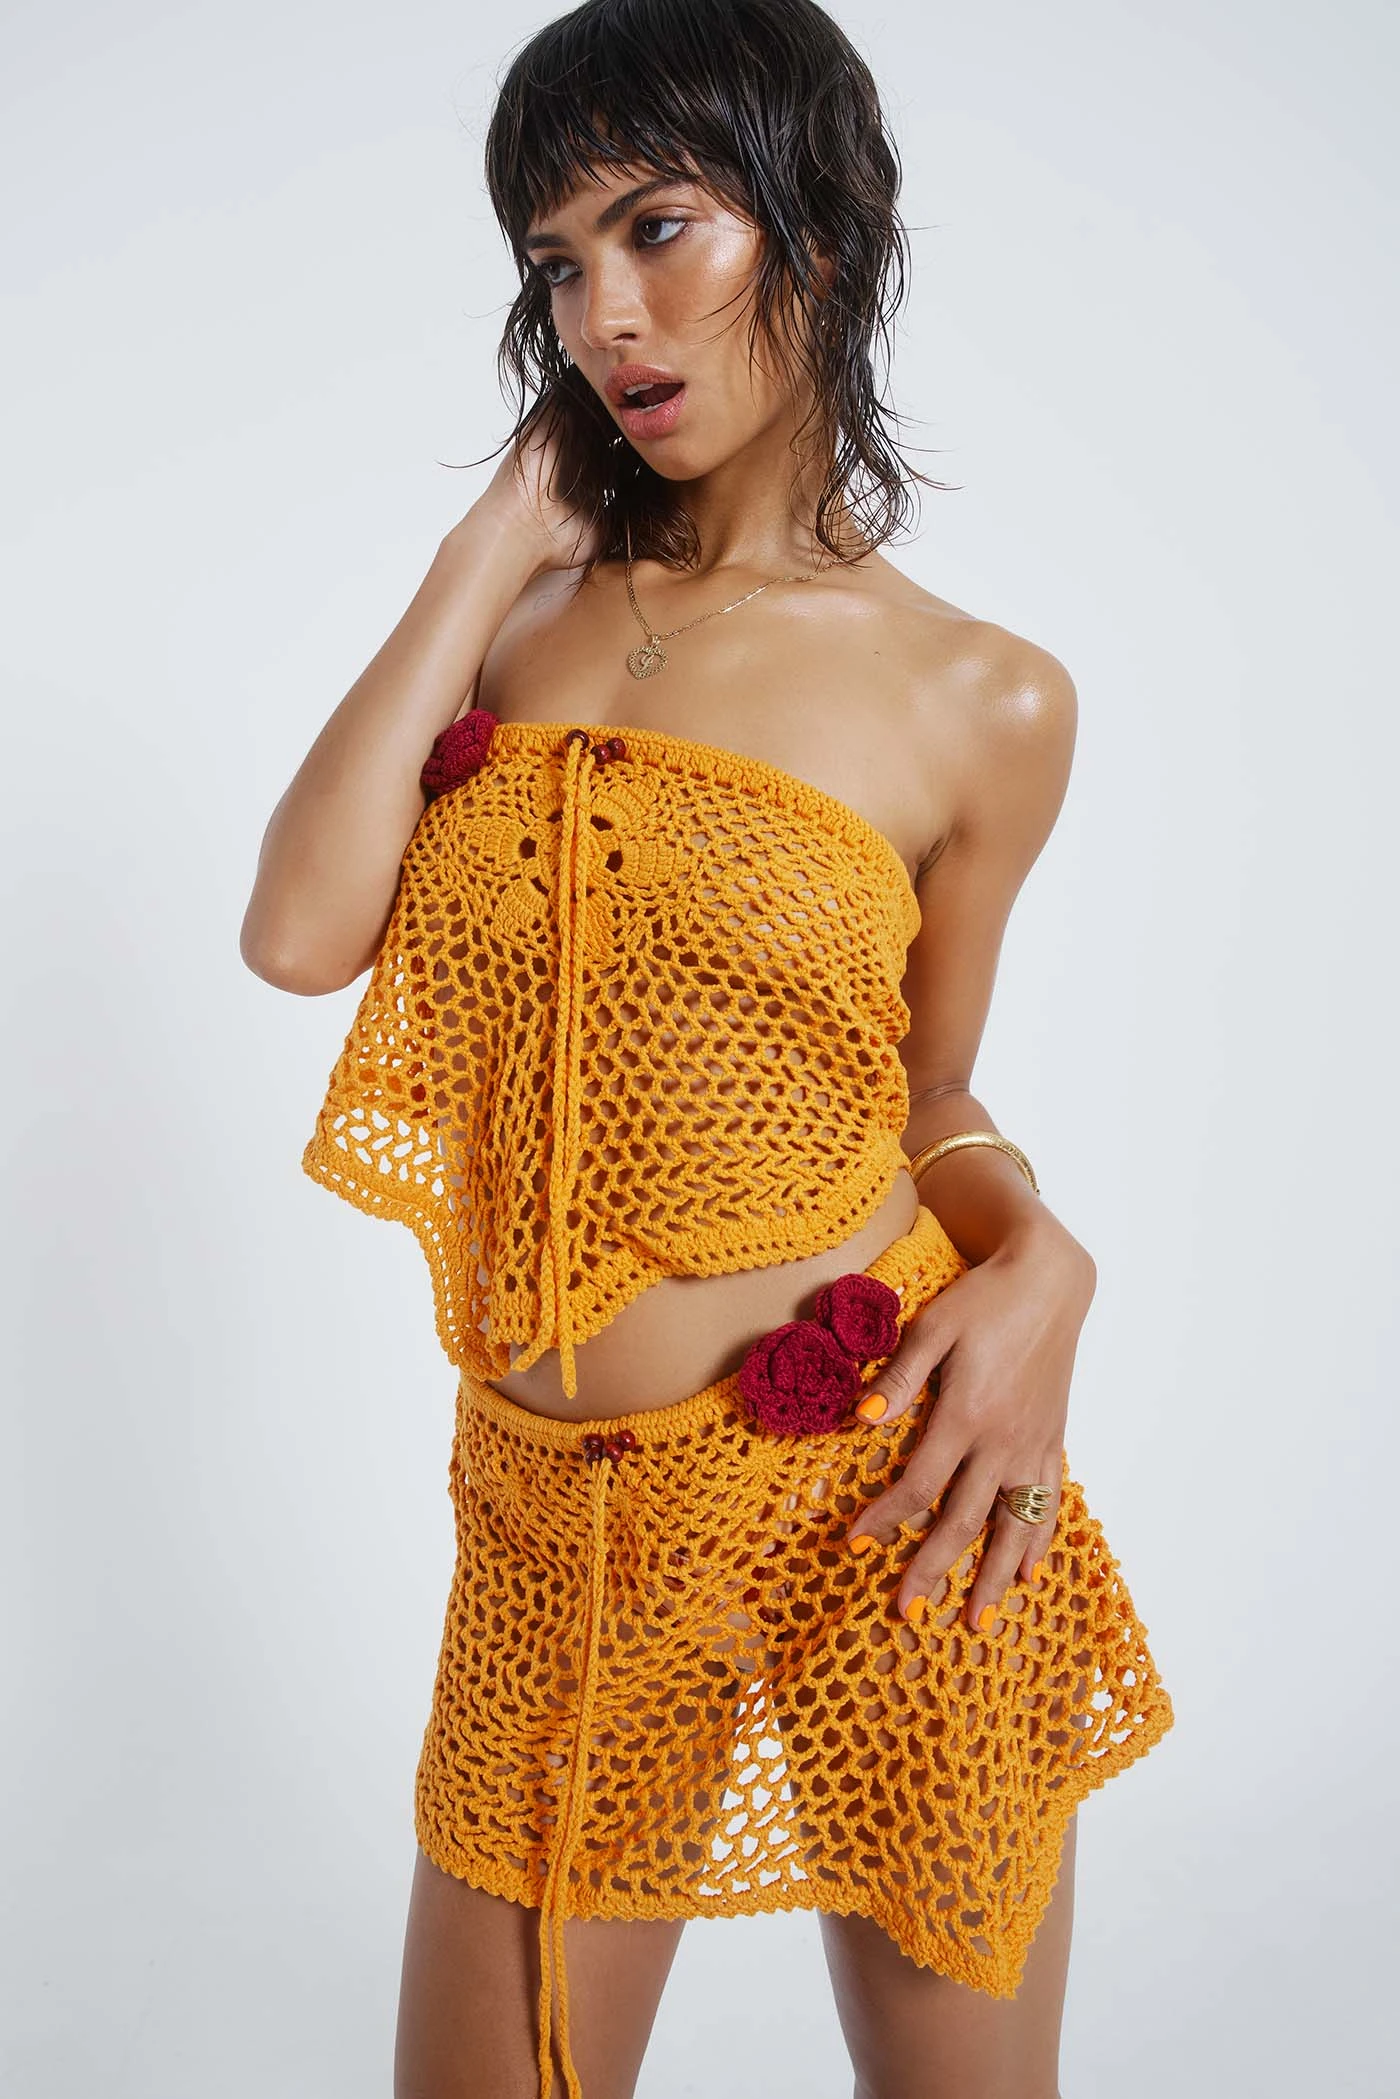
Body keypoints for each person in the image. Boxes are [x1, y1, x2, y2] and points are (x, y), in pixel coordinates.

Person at [241, 2, 1174, 2094]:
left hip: (888, 1487)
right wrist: (488, 541)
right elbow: (298, 933)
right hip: (553, 1535)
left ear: (814, 228)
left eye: (658, 228)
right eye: (558, 262)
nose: (605, 315)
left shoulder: (982, 697)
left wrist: (1039, 1257)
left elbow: (924, 1089)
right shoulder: (513, 628)